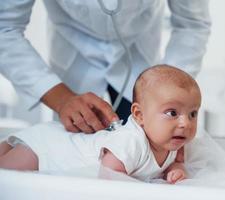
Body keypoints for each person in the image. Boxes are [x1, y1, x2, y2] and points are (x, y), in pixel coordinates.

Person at [0, 1, 210, 133]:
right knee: (76, 147)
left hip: (140, 58)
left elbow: (192, 24)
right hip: (75, 60)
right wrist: (62, 99)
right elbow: (4, 29)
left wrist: (169, 93)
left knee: (151, 148)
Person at [0, 65, 202, 184]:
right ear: (139, 115)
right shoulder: (131, 142)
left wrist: (176, 169)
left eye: (193, 113)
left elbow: (174, 162)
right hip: (49, 151)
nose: (185, 123)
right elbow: (109, 178)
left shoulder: (175, 142)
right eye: (172, 113)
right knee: (6, 177)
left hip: (63, 143)